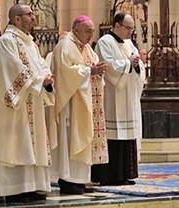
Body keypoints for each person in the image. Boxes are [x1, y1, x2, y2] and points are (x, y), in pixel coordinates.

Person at [0, 4, 54, 202]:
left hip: (32, 102)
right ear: (17, 19)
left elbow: (40, 67)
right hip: (13, 106)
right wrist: (40, 81)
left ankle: (32, 187)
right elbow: (13, 69)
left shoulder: (30, 43)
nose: (34, 17)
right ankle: (14, 189)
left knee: (31, 144)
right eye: (29, 14)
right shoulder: (7, 42)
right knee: (17, 145)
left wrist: (47, 80)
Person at [49, 15, 108, 194]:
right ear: (75, 30)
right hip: (71, 104)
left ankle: (81, 180)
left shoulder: (87, 48)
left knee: (83, 139)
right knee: (71, 140)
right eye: (87, 31)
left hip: (85, 103)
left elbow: (93, 67)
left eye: (92, 31)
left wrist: (98, 70)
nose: (91, 35)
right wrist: (90, 70)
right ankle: (67, 181)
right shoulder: (65, 45)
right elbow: (65, 72)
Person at [91, 12, 144, 185]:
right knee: (114, 136)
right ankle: (110, 176)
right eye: (128, 28)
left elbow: (139, 65)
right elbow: (108, 66)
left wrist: (136, 64)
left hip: (128, 96)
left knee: (127, 135)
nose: (130, 32)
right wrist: (129, 63)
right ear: (116, 25)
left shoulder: (130, 43)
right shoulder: (105, 42)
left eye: (132, 28)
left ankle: (124, 174)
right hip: (113, 96)